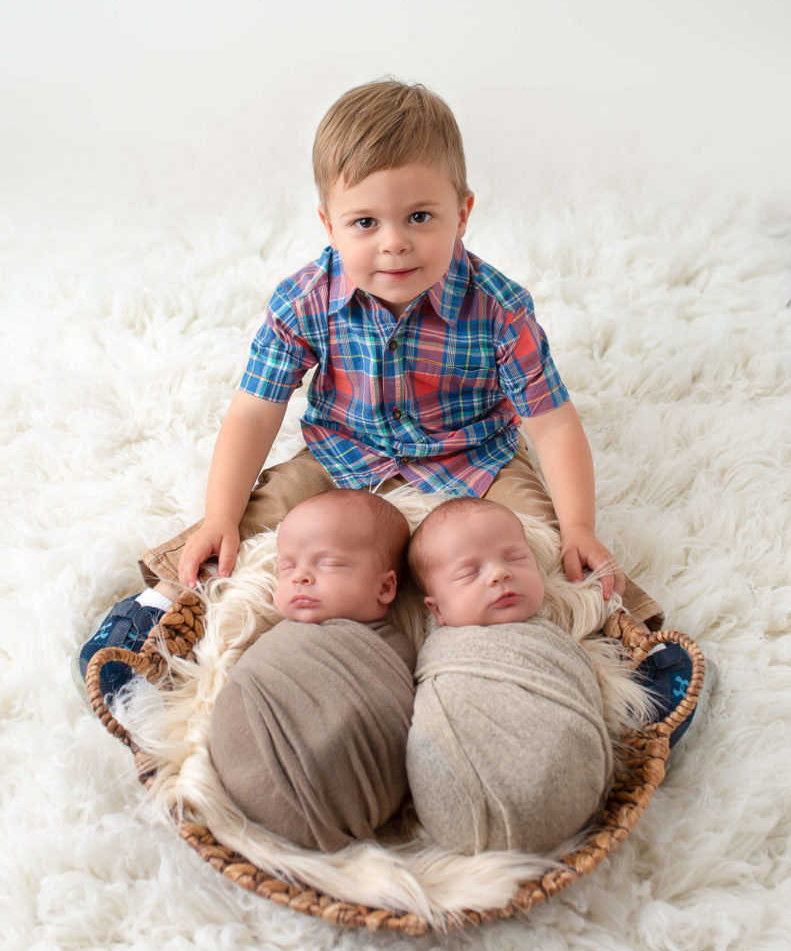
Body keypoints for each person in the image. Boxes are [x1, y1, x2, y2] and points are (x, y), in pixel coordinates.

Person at [79, 76, 687, 724]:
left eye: (419, 217)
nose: (393, 242)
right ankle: (155, 619)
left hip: (472, 453)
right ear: (329, 225)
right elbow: (255, 412)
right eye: (365, 222)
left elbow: (553, 424)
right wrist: (219, 515)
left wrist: (579, 527)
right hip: (345, 449)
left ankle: (629, 648)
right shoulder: (305, 299)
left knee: (534, 542)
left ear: (463, 211)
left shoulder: (498, 307)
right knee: (260, 520)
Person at [405, 497, 627, 854]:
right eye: (469, 572)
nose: (499, 573)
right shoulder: (438, 651)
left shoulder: (553, 635)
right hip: (459, 800)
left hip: (565, 779)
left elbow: (583, 685)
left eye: (516, 558)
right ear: (438, 610)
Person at [208, 489, 416, 851]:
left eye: (328, 563)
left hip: (350, 785)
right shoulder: (277, 638)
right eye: (287, 566)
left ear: (385, 587)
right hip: (250, 757)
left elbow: (401, 716)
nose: (300, 577)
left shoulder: (396, 651)